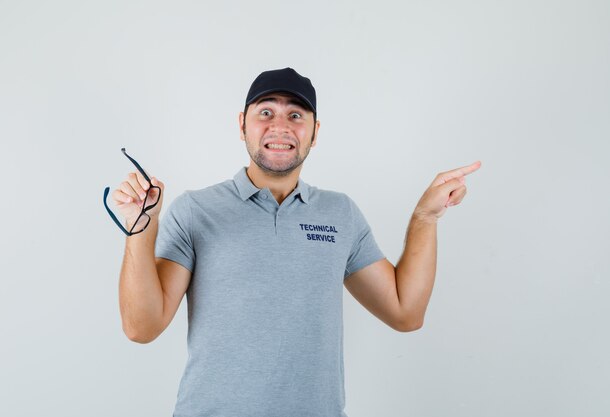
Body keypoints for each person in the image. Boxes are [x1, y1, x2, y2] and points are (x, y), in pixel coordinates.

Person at [112, 67, 481, 417]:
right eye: (266, 112)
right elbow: (141, 327)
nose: (280, 126)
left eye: (296, 115)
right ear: (242, 125)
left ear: (315, 132)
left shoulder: (340, 214)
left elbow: (405, 312)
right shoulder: (196, 211)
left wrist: (425, 217)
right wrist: (141, 226)